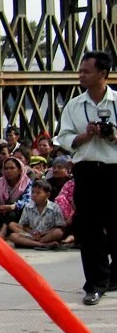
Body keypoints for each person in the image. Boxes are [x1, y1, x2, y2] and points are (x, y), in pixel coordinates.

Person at [56, 50, 117, 306]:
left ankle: (111, 277)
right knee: (89, 229)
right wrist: (86, 135)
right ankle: (94, 284)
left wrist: (112, 135)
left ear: (102, 74)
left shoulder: (116, 102)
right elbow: (64, 138)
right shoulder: (74, 105)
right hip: (88, 172)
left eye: (86, 71)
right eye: (80, 71)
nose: (81, 75)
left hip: (114, 171)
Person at [2, 180, 67, 249]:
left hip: (47, 235)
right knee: (13, 234)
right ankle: (42, 244)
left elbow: (60, 226)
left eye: (38, 193)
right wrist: (33, 234)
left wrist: (43, 234)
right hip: (32, 235)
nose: (34, 195)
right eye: (32, 192)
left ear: (47, 195)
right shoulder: (28, 206)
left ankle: (32, 243)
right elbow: (24, 226)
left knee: (59, 232)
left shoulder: (54, 207)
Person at [0, 156, 32, 231]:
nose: (8, 171)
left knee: (13, 204)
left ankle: (4, 230)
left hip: (18, 218)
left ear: (20, 170)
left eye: (12, 168)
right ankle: (2, 229)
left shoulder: (26, 183)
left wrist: (12, 207)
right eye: (6, 168)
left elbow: (28, 201)